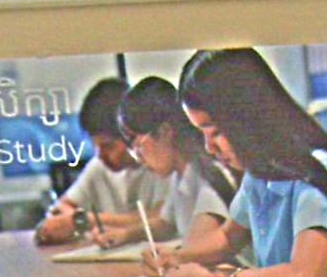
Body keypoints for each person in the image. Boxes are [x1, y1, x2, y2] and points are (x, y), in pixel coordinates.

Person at [143, 48, 327, 277]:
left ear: (247, 119)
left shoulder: (318, 171)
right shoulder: (261, 170)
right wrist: (176, 257)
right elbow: (228, 238)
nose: (209, 148)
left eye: (215, 132)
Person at [93, 76, 238, 249]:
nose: (137, 157)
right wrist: (125, 234)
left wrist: (172, 256)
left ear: (164, 131)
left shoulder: (207, 177)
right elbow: (166, 224)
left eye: (136, 143)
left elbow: (198, 246)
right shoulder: (181, 175)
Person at [36, 78, 168, 245]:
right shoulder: (98, 167)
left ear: (132, 135)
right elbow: (62, 207)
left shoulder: (162, 164)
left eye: (108, 146)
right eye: (95, 146)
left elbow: (163, 218)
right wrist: (71, 220)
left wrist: (85, 220)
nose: (101, 155)